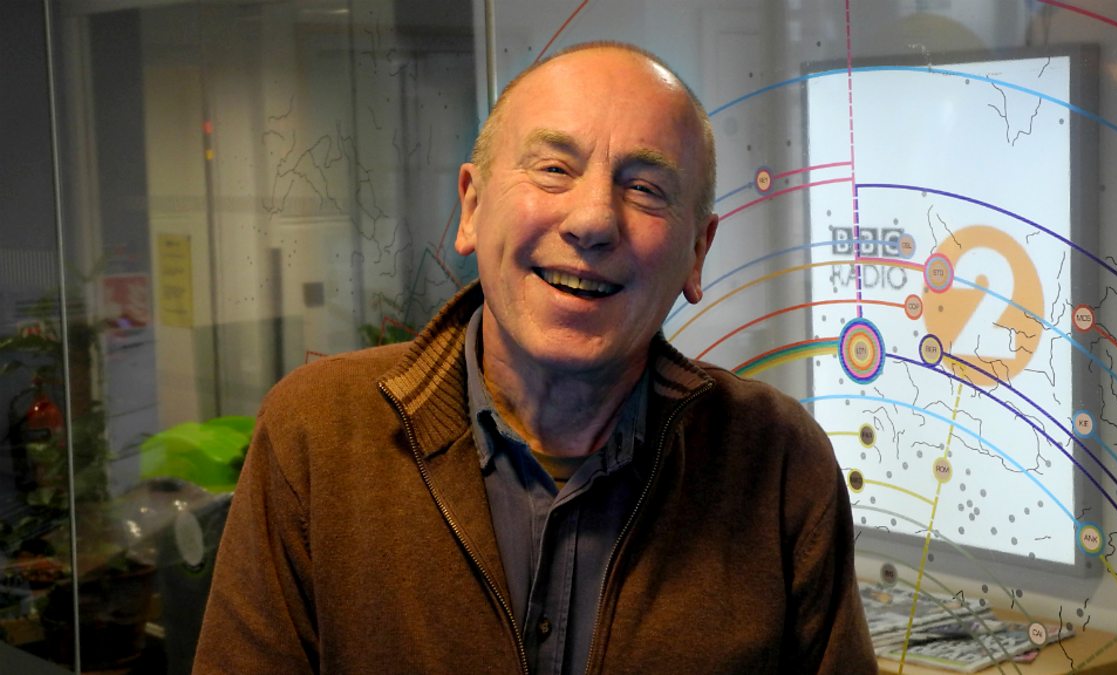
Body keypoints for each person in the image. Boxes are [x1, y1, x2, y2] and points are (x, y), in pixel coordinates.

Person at [194, 41, 875, 674]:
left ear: (698, 251)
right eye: (554, 169)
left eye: (644, 188)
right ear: (472, 206)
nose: (593, 220)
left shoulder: (778, 463)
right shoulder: (316, 434)